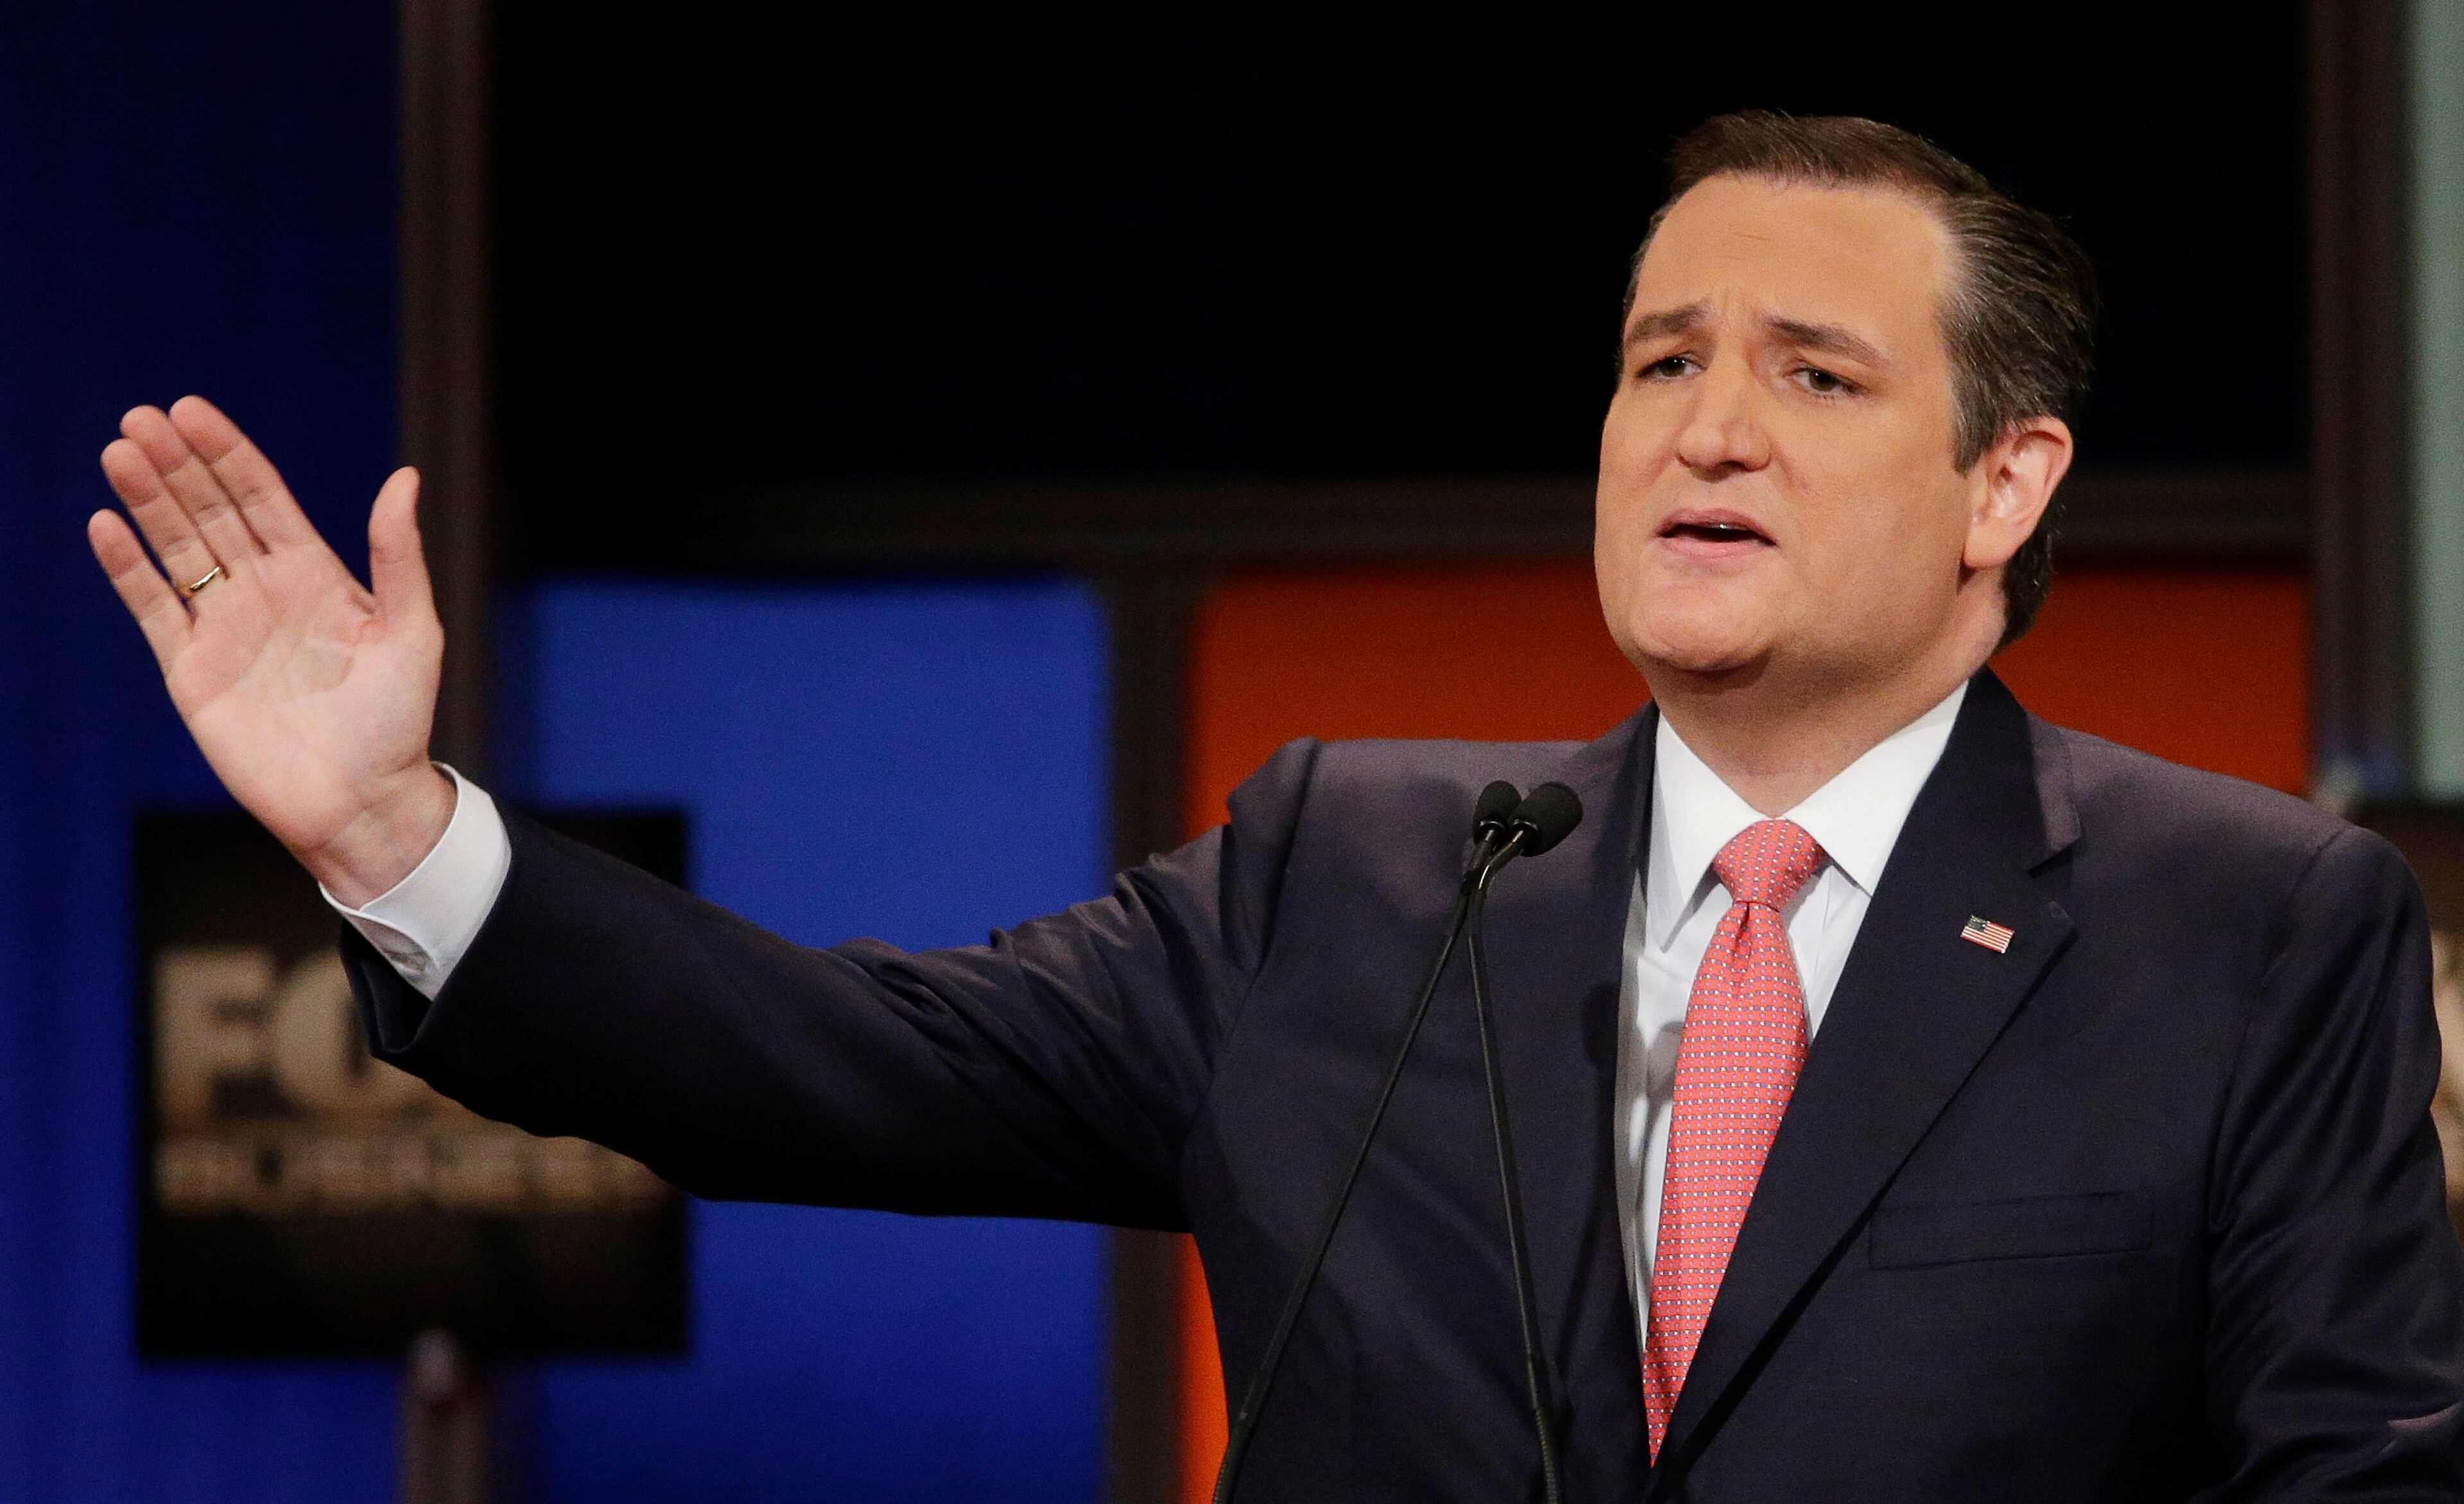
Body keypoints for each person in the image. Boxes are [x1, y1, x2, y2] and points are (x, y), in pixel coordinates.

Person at [89, 112, 2464, 1500]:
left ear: (2002, 482)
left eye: (1814, 374)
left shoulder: (2245, 924)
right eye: (1661, 361)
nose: (1703, 427)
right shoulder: (1356, 871)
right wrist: (395, 828)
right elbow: (831, 1063)